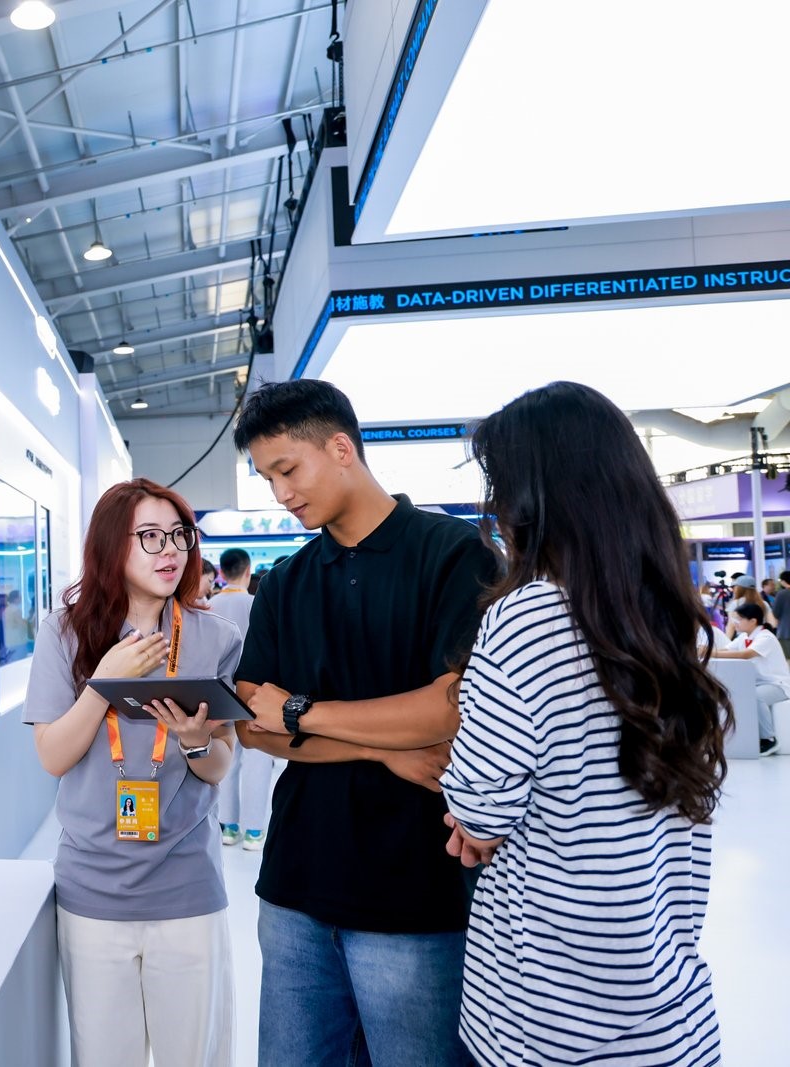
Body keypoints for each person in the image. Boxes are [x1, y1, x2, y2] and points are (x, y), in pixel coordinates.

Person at [441, 381, 726, 1064]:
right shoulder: (666, 613)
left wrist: (470, 824)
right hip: (666, 1002)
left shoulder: (526, 617)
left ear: (533, 501)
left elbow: (479, 810)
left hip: (550, 1013)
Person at [230, 379, 496, 1066]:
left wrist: (302, 712)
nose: (280, 494)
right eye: (267, 478)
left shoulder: (452, 553)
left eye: (288, 469)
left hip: (415, 892)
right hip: (294, 886)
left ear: (341, 448)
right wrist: (382, 749)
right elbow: (251, 725)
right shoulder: (285, 580)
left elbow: (451, 708)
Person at [23, 478, 244, 1067]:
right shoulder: (64, 633)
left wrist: (196, 743)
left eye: (179, 535)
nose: (170, 550)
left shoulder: (215, 637)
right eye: (149, 536)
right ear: (109, 545)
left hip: (187, 886)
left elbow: (220, 764)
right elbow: (53, 756)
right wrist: (103, 683)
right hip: (92, 891)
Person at [208, 548, 274, 850]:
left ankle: (228, 826)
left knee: (227, 756)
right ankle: (254, 831)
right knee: (258, 758)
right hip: (257, 691)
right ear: (247, 571)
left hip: (219, 690)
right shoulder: (257, 602)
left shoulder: (209, 605)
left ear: (222, 572)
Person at [712, 600, 789, 755]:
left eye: (739, 619)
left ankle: (769, 739)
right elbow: (727, 650)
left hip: (778, 685)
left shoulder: (766, 637)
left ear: (753, 621)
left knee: (756, 696)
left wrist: (711, 653)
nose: (735, 623)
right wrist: (707, 650)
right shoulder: (743, 637)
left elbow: (745, 654)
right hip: (758, 684)